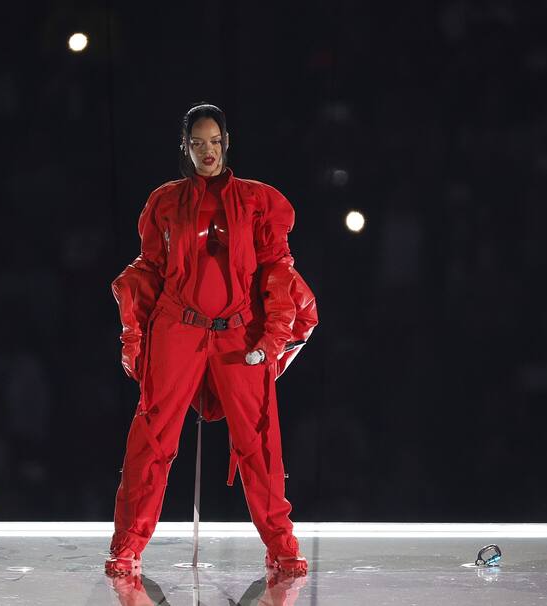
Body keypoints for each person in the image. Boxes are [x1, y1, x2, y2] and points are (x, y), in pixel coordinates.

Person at [106, 103, 318, 578]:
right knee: (152, 437)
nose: (208, 150)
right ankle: (127, 546)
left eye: (215, 141)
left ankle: (282, 545)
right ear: (185, 146)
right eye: (198, 142)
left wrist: (274, 331)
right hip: (176, 326)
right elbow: (151, 269)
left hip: (238, 332)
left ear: (227, 143)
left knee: (260, 441)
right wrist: (133, 332)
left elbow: (276, 269)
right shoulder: (164, 201)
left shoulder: (259, 201)